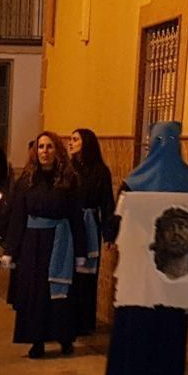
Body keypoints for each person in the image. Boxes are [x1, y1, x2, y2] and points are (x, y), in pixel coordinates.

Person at [102, 121, 188, 375]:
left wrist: (111, 236)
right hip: (174, 269)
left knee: (135, 328)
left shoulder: (135, 181)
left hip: (139, 270)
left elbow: (116, 221)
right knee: (167, 331)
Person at [4, 132, 87, 358]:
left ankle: (64, 337)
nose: (44, 152)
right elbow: (18, 216)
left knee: (59, 293)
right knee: (34, 293)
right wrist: (10, 250)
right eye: (41, 147)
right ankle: (36, 340)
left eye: (49, 147)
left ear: (57, 151)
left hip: (59, 242)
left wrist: (81, 251)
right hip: (33, 244)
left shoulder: (68, 181)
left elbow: (75, 217)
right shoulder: (27, 180)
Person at [69, 128, 116, 335]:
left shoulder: (100, 171)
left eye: (75, 139)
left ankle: (84, 321)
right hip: (69, 225)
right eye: (71, 139)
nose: (71, 143)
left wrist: (109, 233)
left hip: (89, 226)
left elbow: (107, 203)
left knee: (87, 276)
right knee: (68, 272)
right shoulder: (68, 169)